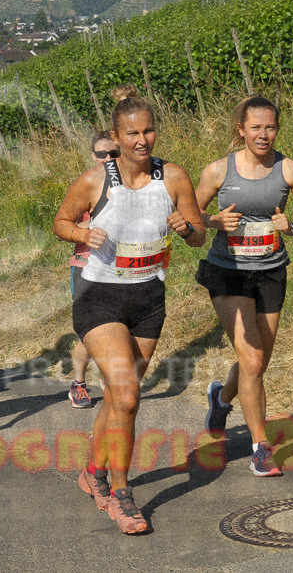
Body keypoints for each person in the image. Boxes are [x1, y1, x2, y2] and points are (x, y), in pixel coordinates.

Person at [52, 85, 205, 535]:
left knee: (119, 399)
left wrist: (187, 227)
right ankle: (122, 495)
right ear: (116, 138)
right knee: (130, 397)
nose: (143, 140)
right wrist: (81, 235)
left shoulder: (174, 177)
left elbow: (197, 234)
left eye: (150, 131)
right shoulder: (94, 180)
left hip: (147, 300)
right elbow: (60, 222)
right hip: (98, 298)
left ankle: (92, 473)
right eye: (133, 133)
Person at [195, 96, 293, 477]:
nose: (263, 135)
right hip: (227, 270)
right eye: (255, 127)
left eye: (270, 127)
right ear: (241, 130)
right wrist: (215, 221)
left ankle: (221, 397)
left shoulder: (289, 170)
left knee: (257, 362)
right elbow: (188, 217)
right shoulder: (218, 171)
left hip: (270, 271)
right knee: (251, 360)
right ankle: (260, 447)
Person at [66, 132, 119, 409]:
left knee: (119, 327)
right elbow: (63, 226)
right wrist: (90, 227)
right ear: (93, 156)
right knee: (90, 331)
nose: (108, 159)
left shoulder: (130, 183)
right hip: (86, 267)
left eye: (114, 153)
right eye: (102, 154)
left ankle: (109, 378)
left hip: (119, 267)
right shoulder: (85, 184)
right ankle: (78, 384)